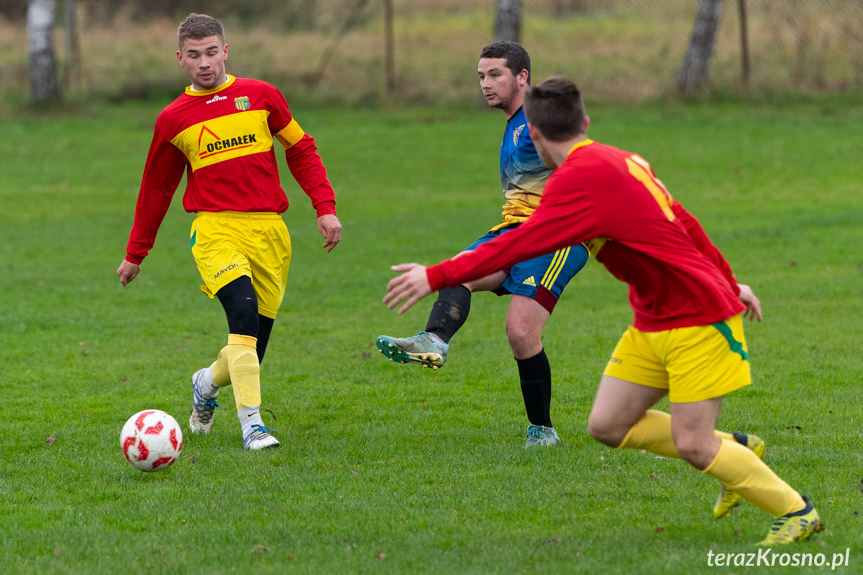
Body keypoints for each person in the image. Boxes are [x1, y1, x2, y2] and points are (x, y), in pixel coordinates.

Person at [383, 76, 823, 545]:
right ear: (585, 123)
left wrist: (435, 275)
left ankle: (797, 510)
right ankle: (734, 450)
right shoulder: (621, 157)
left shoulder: (578, 183)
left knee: (695, 443)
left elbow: (521, 241)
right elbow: (685, 220)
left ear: (531, 134)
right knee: (608, 426)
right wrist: (730, 276)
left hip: (699, 316)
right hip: (654, 317)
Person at [116, 13, 342, 451]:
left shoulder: (260, 96)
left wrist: (325, 207)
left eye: (212, 52)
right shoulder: (173, 119)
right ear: (181, 58)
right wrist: (135, 253)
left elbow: (301, 148)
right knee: (241, 315)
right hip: (215, 229)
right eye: (195, 55)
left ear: (226, 51)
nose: (205, 63)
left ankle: (205, 383)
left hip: (270, 233)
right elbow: (157, 189)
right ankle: (253, 426)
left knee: (251, 349)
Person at [375, 42, 589, 447]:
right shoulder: (514, 123)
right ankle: (434, 340)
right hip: (514, 231)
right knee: (462, 266)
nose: (485, 84)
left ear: (522, 77)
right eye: (480, 76)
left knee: (520, 331)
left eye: (495, 75)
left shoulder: (539, 118)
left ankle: (542, 430)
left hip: (557, 236)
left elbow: (580, 159)